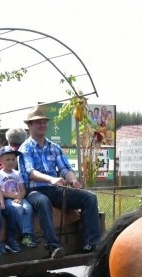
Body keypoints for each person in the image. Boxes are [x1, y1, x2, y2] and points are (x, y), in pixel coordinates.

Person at [19, 105, 101, 258]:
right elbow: (31, 173)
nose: (42, 125)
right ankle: (53, 246)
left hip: (54, 189)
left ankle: (93, 243)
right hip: (34, 191)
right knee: (43, 202)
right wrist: (51, 179)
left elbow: (65, 168)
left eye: (44, 122)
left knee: (89, 197)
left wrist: (73, 180)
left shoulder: (54, 147)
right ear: (29, 125)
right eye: (38, 122)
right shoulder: (26, 148)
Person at [0, 146, 34, 253]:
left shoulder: (17, 173)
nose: (11, 162)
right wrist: (14, 196)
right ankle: (19, 236)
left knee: (28, 208)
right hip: (7, 199)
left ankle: (28, 234)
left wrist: (21, 197)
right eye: (7, 159)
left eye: (13, 159)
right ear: (0, 160)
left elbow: (22, 189)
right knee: (17, 209)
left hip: (19, 197)